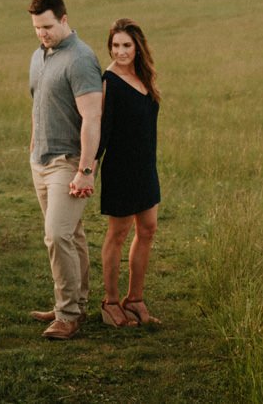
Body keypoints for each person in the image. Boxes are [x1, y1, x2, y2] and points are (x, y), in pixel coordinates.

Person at [25, 0, 103, 340]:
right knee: (71, 235)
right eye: (37, 28)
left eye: (48, 26)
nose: (42, 33)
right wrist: (31, 148)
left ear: (65, 19)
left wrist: (85, 169)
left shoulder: (82, 59)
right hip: (40, 160)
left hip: (69, 162)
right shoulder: (38, 57)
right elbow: (37, 105)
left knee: (56, 235)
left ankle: (68, 315)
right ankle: (74, 303)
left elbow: (91, 118)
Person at [97, 17, 162, 327]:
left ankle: (134, 299)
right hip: (121, 169)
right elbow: (102, 130)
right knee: (118, 233)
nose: (120, 51)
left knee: (148, 229)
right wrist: (88, 170)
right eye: (115, 46)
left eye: (126, 45)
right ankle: (110, 301)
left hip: (146, 166)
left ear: (137, 47)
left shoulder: (144, 77)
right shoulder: (109, 81)